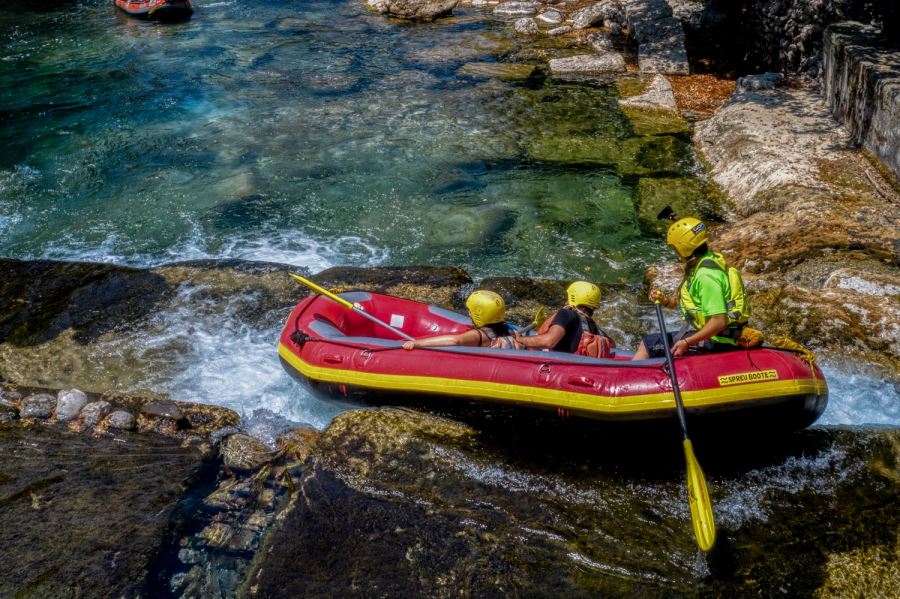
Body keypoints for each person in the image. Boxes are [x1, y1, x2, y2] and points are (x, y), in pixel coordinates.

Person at [632, 217, 748, 361]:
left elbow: (719, 321)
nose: (674, 250)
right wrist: (664, 300)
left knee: (647, 344)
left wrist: (687, 342)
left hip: (719, 341)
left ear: (683, 248)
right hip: (717, 336)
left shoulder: (706, 277)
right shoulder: (705, 261)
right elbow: (680, 303)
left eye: (675, 246)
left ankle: (629, 379)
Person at [513, 281, 614, 356]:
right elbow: (613, 345)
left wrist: (518, 339)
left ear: (573, 298)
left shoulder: (567, 314)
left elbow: (549, 341)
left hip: (556, 372)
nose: (566, 302)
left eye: (568, 298)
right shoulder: (598, 331)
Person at [403, 290, 522, 350]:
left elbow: (455, 340)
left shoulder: (479, 335)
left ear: (479, 315)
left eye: (471, 311)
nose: (468, 313)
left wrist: (417, 343)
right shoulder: (511, 330)